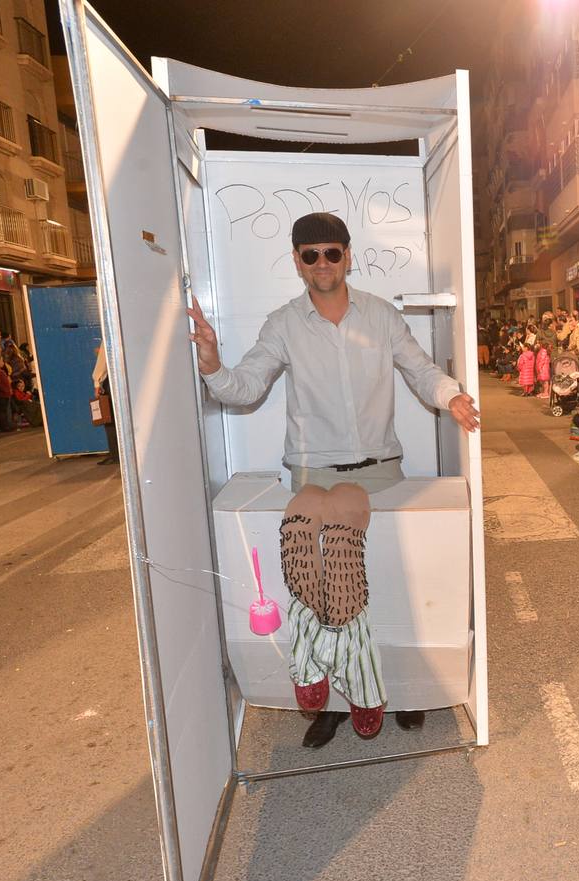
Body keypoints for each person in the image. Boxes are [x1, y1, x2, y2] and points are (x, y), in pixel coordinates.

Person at [186, 212, 479, 746]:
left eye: (332, 252)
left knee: (382, 588)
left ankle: (398, 689)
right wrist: (210, 362)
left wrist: (452, 395)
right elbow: (245, 387)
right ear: (297, 262)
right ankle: (332, 686)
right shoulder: (282, 323)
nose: (322, 263)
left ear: (348, 255)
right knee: (307, 558)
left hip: (380, 473)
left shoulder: (383, 317)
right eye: (310, 254)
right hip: (310, 474)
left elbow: (420, 369)